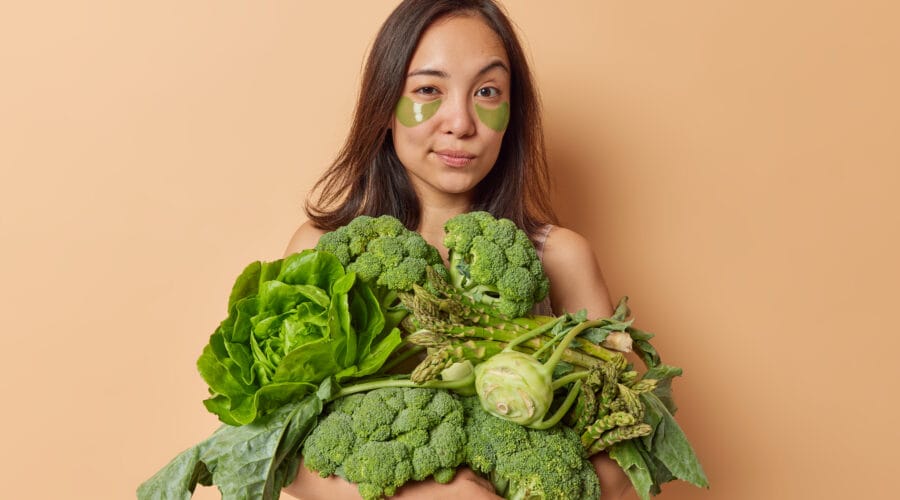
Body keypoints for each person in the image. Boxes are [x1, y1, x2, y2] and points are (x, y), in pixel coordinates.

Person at [282, 1, 632, 498]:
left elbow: (626, 456)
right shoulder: (322, 252)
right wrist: (423, 495)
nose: (461, 122)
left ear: (513, 113)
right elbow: (278, 439)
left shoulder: (560, 258)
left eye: (487, 92)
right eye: (428, 90)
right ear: (384, 106)